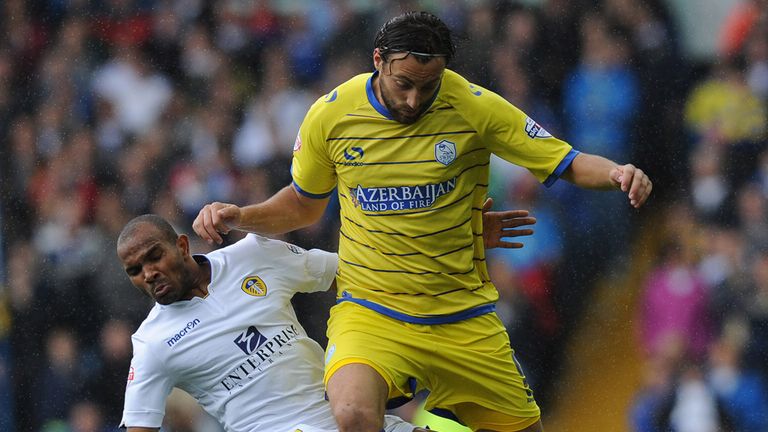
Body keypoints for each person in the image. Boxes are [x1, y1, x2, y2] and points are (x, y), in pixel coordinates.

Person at [193, 11, 652, 432]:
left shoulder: (475, 106)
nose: (414, 99)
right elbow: (303, 204)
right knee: (352, 413)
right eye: (404, 83)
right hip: (373, 311)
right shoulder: (331, 116)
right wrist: (242, 216)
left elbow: (563, 161)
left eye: (428, 86)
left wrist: (616, 173)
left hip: (462, 315)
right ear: (379, 60)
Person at [117, 208, 533, 432]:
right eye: (135, 270)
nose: (148, 274)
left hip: (352, 418)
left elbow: (359, 268)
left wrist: (458, 240)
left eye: (154, 257)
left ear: (183, 246)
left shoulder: (251, 257)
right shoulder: (152, 344)